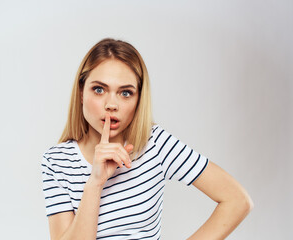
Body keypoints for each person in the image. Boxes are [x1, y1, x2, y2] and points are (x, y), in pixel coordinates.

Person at [41, 38, 253, 240]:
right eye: (99, 89)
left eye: (125, 93)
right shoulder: (56, 161)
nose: (111, 104)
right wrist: (95, 183)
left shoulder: (155, 144)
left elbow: (237, 200)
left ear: (138, 99)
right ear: (81, 92)